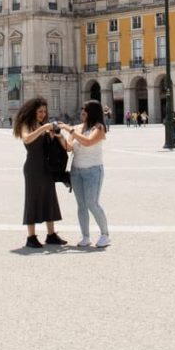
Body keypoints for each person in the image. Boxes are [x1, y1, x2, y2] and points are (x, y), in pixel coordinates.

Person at [13, 96, 66, 249]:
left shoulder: (44, 125)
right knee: (32, 199)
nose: (43, 114)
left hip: (47, 167)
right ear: (33, 111)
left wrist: (56, 135)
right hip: (33, 167)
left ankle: (51, 234)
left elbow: (58, 145)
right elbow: (27, 139)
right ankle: (31, 236)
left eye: (44, 111)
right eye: (40, 111)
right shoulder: (27, 125)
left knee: (50, 198)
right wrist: (43, 129)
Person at [60, 100, 110, 248]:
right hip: (76, 171)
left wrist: (70, 131)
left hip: (93, 170)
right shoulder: (77, 128)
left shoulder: (99, 128)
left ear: (93, 112)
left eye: (85, 110)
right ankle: (85, 236)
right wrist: (59, 136)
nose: (82, 112)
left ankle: (105, 234)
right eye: (82, 109)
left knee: (92, 203)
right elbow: (69, 148)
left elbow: (88, 142)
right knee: (81, 205)